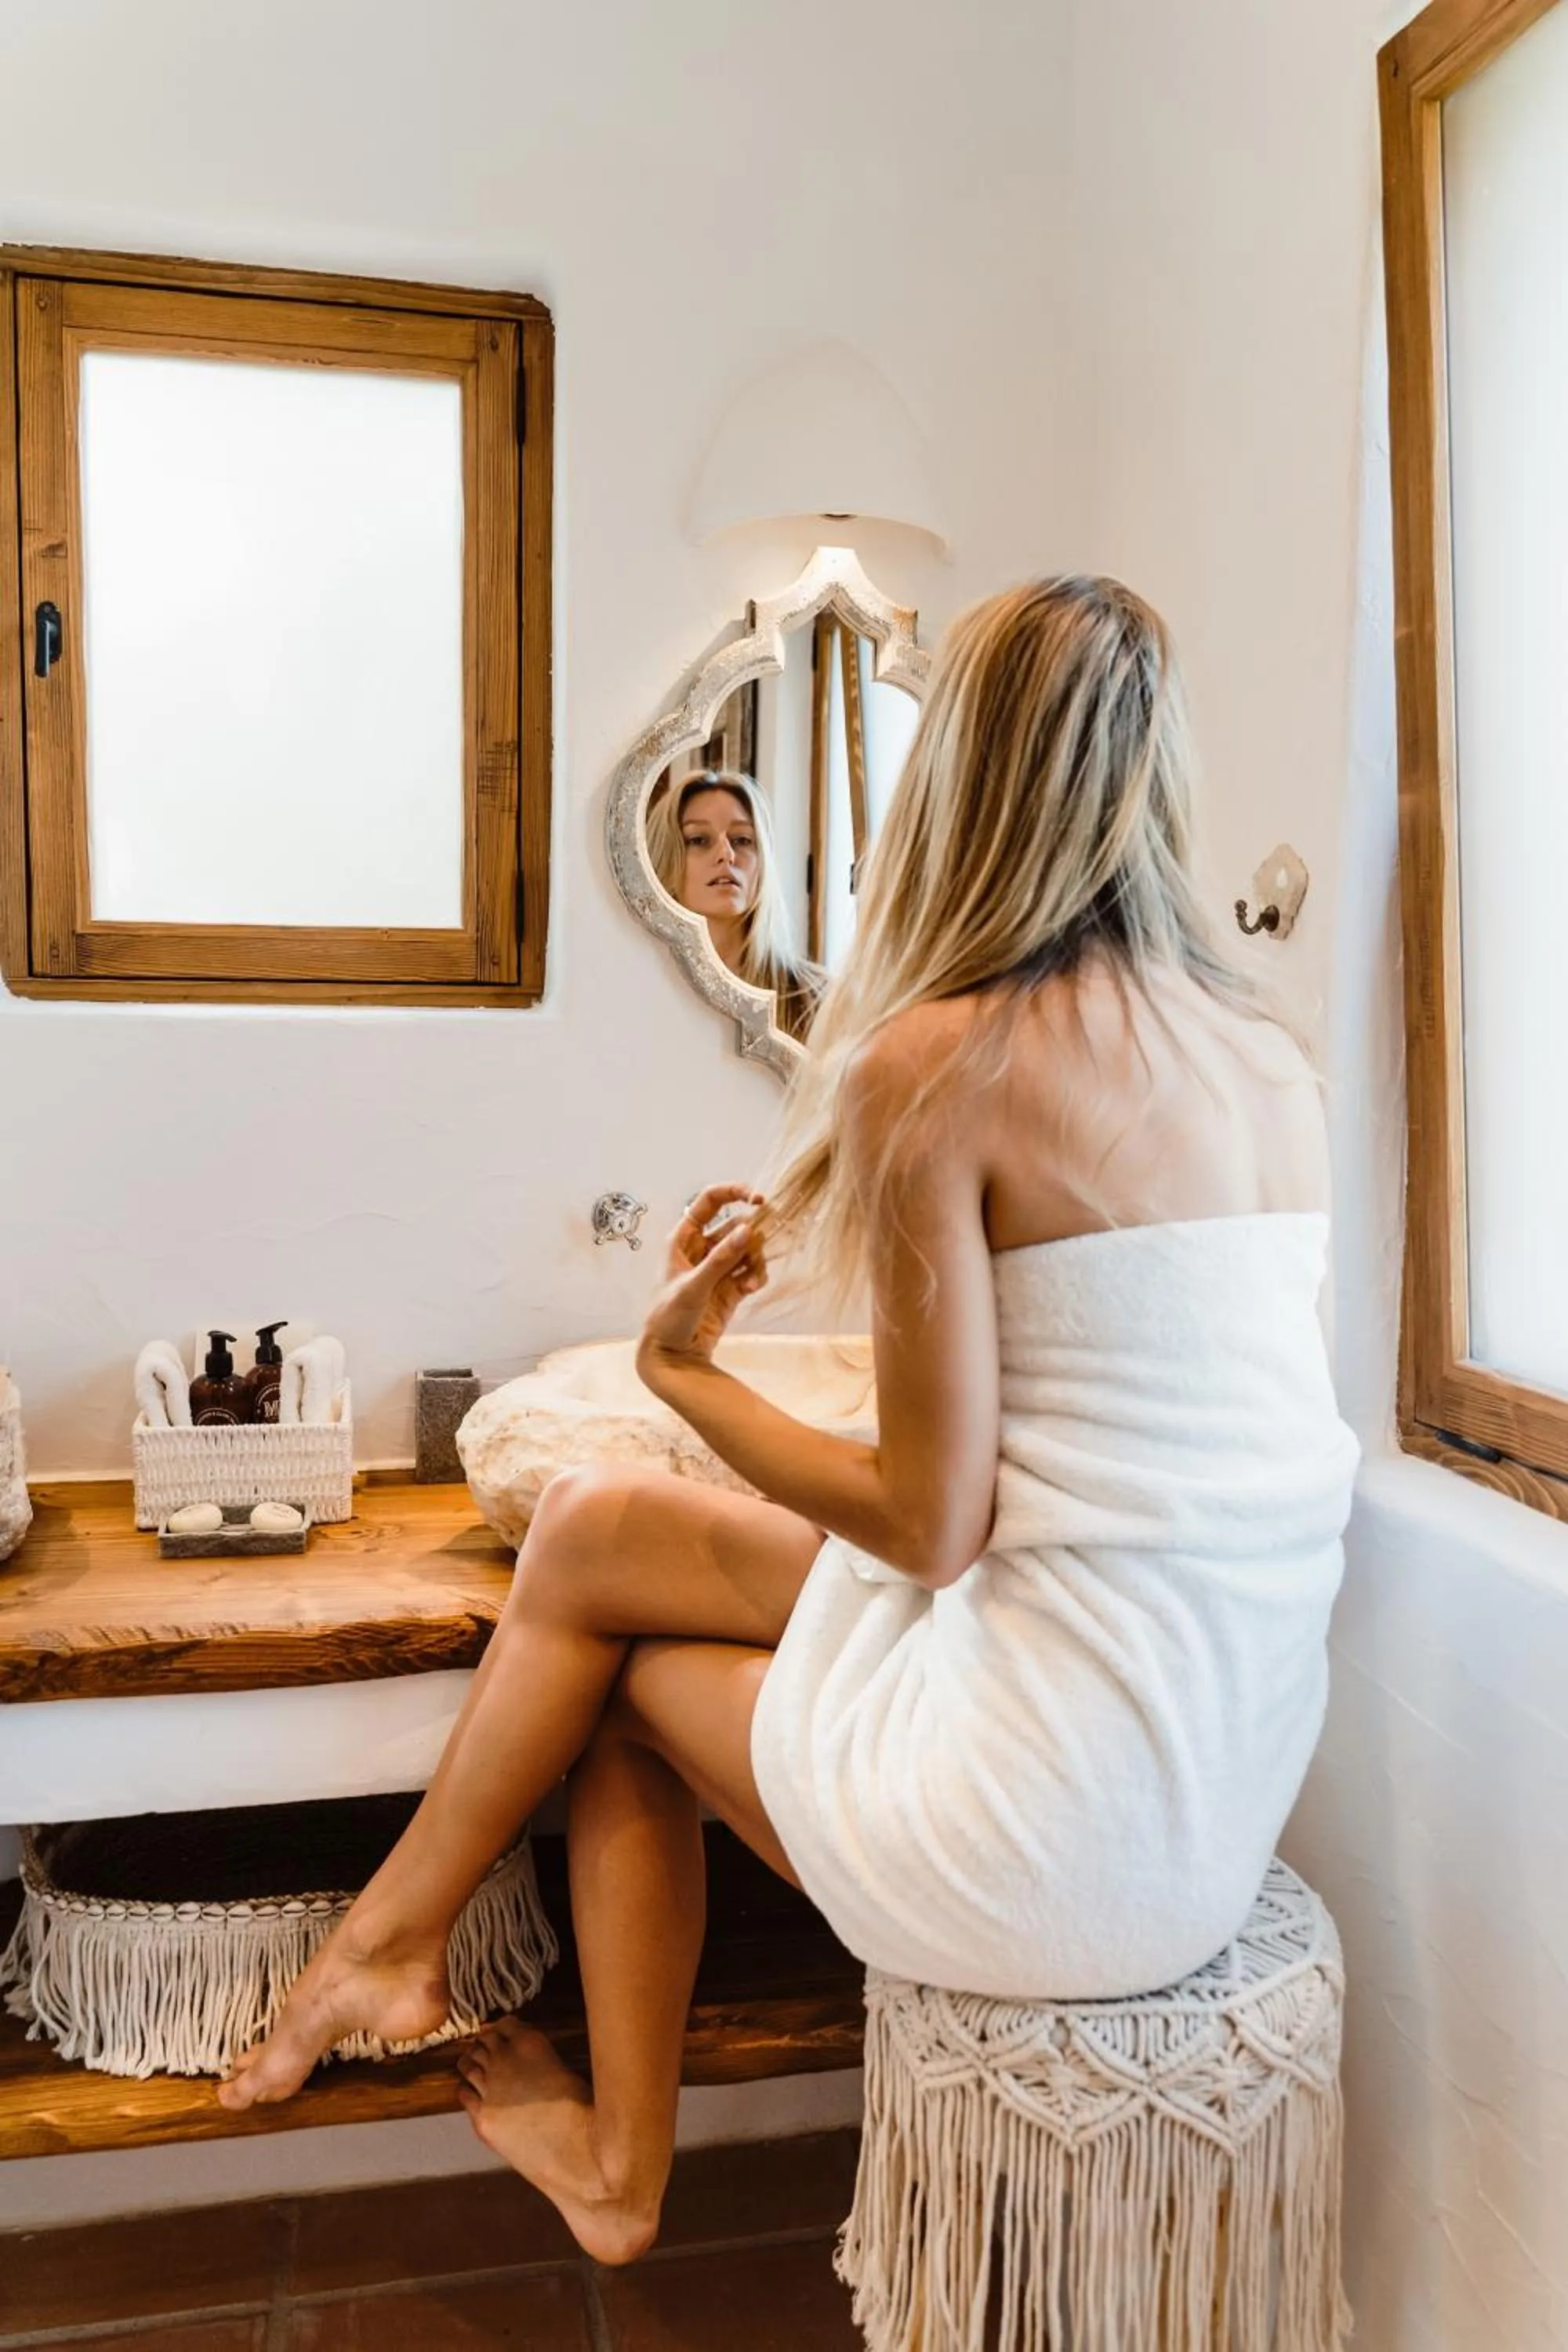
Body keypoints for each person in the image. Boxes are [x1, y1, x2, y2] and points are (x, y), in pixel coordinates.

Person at [216, 577, 1359, 2278]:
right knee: (597, 1525)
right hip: (1206, 1776)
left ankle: (603, 2156)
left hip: (1047, 1831)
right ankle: (392, 1942)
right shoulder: (1269, 1064)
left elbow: (928, 1525)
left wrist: (682, 1369)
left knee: (612, 1682)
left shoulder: (941, 1062)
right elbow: (1089, 1443)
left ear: (960, 780)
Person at [645, 768, 822, 1044]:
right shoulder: (639, 988)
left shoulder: (815, 998)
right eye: (699, 840)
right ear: (665, 857)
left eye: (742, 840)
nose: (726, 855)